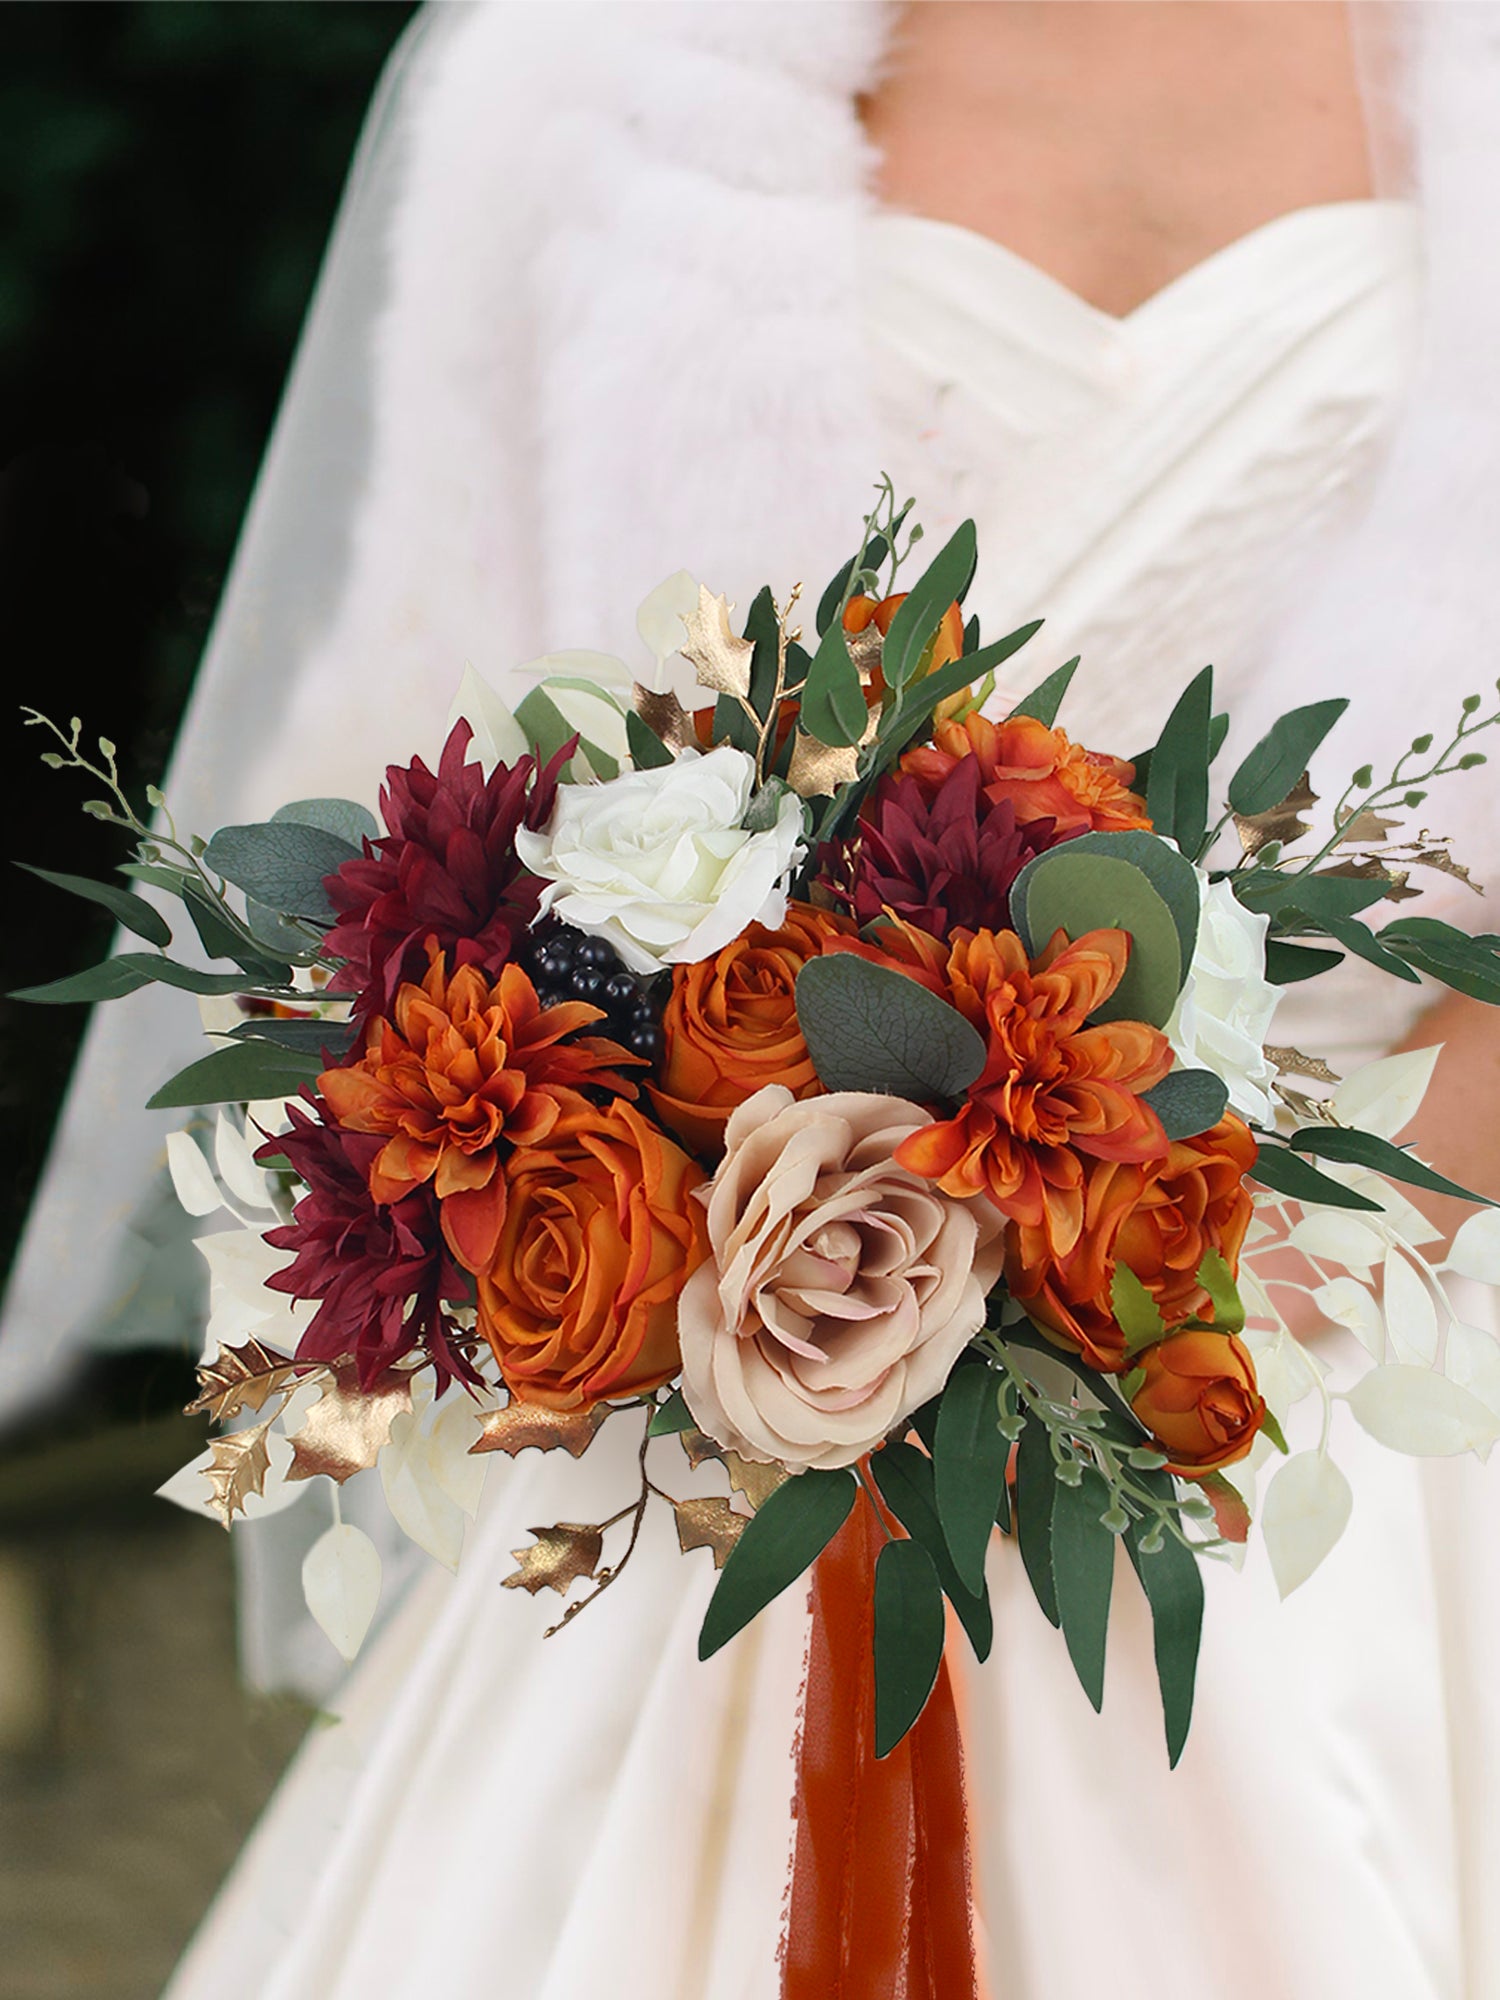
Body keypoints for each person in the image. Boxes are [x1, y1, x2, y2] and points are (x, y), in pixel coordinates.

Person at [31, 3, 1500, 1994]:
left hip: (1388, 1344)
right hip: (746, 1361)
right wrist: (646, 1214)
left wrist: (1288, 1248)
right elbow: (421, 800)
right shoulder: (588, 80)